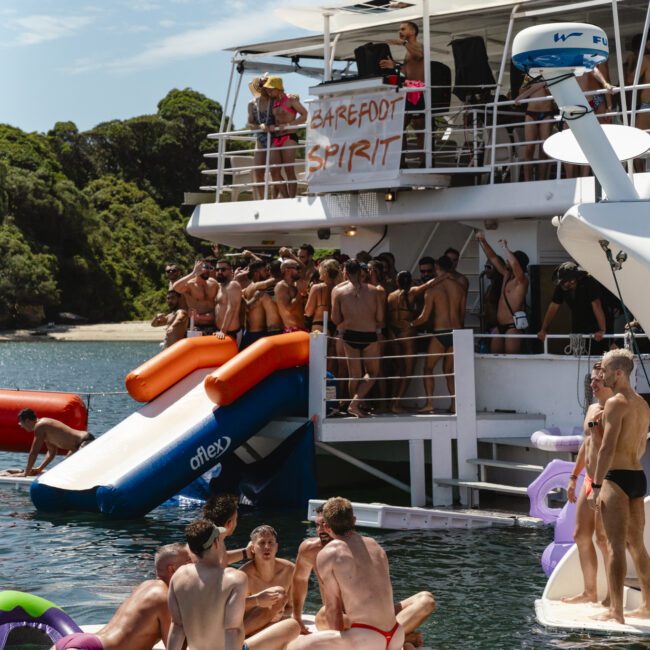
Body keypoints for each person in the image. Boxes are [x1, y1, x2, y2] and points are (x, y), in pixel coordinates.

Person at [291, 505, 435, 645]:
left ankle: (395, 635)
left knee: (426, 600)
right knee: (326, 614)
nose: (320, 530)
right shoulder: (310, 550)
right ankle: (401, 636)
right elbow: (300, 580)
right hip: (341, 616)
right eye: (317, 525)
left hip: (372, 617)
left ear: (332, 525)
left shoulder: (363, 546)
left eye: (324, 524)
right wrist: (297, 618)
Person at [168, 520, 300, 650]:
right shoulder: (234, 578)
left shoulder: (179, 575)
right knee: (292, 626)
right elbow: (233, 630)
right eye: (221, 539)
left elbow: (177, 627)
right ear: (216, 543)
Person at [588, 349, 650, 624]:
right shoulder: (642, 404)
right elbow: (641, 446)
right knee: (637, 546)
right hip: (638, 475)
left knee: (614, 546)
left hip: (616, 477)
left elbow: (606, 448)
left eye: (606, 370)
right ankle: (647, 605)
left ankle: (617, 612)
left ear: (620, 373)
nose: (602, 375)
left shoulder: (615, 403)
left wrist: (598, 484)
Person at [52, 544, 192, 650]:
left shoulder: (145, 586)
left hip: (76, 641)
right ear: (172, 569)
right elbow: (176, 646)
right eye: (188, 563)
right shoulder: (165, 596)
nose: (192, 568)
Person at [562, 362, 613, 605]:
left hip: (608, 482)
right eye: (591, 379)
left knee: (604, 540)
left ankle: (613, 596)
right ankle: (589, 592)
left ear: (610, 381)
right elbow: (587, 445)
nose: (592, 384)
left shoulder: (615, 408)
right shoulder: (592, 407)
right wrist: (573, 477)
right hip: (588, 480)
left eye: (597, 381)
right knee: (581, 535)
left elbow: (609, 449)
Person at [409, 256, 465, 413]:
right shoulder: (460, 287)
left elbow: (424, 318)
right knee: (449, 372)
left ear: (436, 267)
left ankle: (429, 404)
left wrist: (409, 324)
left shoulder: (433, 290)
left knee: (428, 367)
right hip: (457, 333)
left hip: (440, 332)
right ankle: (454, 405)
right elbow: (461, 314)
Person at [331, 259, 385, 418]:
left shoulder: (339, 292)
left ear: (345, 273)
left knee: (354, 375)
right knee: (372, 373)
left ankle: (353, 405)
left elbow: (335, 320)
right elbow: (380, 317)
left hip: (350, 335)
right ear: (362, 272)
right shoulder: (374, 291)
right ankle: (356, 403)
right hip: (369, 334)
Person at [379, 22, 425, 165]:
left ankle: (425, 161)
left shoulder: (419, 46)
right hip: (409, 90)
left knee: (420, 128)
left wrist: (403, 43)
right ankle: (401, 161)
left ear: (412, 31)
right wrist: (394, 66)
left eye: (403, 29)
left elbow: (419, 55)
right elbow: (406, 70)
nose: (400, 31)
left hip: (419, 91)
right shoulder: (407, 49)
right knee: (400, 125)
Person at [476, 233, 529, 354]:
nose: (507, 260)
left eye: (510, 259)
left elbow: (515, 265)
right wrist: (484, 241)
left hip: (512, 328)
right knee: (496, 359)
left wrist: (505, 247)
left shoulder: (522, 280)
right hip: (499, 327)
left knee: (511, 361)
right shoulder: (506, 275)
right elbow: (493, 258)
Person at [537, 262, 607, 353]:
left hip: (597, 324)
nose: (567, 284)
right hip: (577, 324)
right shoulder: (562, 286)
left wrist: (602, 330)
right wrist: (543, 329)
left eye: (569, 280)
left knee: (597, 354)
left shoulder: (589, 281)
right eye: (564, 282)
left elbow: (596, 305)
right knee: (577, 353)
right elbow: (553, 306)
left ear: (576, 277)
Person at [242, 525, 295, 636]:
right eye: (261, 543)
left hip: (273, 626)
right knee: (279, 593)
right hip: (247, 629)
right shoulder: (243, 576)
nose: (267, 546)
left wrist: (281, 614)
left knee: (292, 626)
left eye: (271, 543)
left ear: (276, 547)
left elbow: (290, 607)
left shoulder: (289, 570)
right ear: (252, 548)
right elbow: (235, 611)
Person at [263, 76, 308, 199]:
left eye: (270, 89)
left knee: (289, 169)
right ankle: (287, 197)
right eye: (268, 89)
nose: (268, 91)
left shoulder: (291, 99)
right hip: (276, 138)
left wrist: (290, 125)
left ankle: (291, 199)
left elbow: (305, 114)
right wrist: (270, 126)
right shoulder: (272, 102)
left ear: (278, 88)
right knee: (274, 171)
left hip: (289, 137)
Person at [15, 409, 94, 477]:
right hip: (77, 446)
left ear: (27, 421)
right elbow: (51, 452)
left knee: (82, 474)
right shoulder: (44, 428)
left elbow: (34, 452)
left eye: (21, 424)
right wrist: (40, 469)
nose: (22, 427)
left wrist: (26, 473)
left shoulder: (40, 426)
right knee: (62, 468)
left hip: (85, 442)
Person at [514, 74, 555, 182]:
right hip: (531, 113)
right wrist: (530, 87)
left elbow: (554, 94)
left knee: (544, 149)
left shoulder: (551, 73)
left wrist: (544, 86)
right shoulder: (530, 74)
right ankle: (528, 180)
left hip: (547, 113)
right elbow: (520, 94)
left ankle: (541, 179)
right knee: (529, 148)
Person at [172, 259, 218, 334]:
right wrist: (193, 273)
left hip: (214, 325)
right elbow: (176, 287)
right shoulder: (190, 285)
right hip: (197, 327)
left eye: (210, 267)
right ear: (197, 268)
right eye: (205, 267)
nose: (208, 270)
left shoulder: (213, 283)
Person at [247, 75, 275, 200]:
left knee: (275, 171)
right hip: (260, 140)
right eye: (261, 85)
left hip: (276, 138)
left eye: (266, 85)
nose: (263, 88)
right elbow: (250, 124)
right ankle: (263, 199)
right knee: (258, 172)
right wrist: (260, 126)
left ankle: (275, 199)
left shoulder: (275, 101)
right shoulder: (252, 104)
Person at [305, 258, 340, 335]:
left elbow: (308, 312)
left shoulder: (317, 288)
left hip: (319, 326)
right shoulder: (341, 288)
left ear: (325, 272)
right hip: (337, 327)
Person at [213, 259, 243, 345]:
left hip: (229, 333)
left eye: (223, 269)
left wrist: (223, 331)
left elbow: (231, 308)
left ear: (231, 270)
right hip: (220, 332)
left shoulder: (233, 285)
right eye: (217, 269)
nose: (219, 272)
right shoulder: (221, 286)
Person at [275, 260, 308, 332]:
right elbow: (288, 309)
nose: (299, 271)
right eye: (297, 268)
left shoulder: (294, 286)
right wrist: (300, 293)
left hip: (301, 329)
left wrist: (305, 295)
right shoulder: (281, 286)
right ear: (287, 270)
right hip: (291, 331)